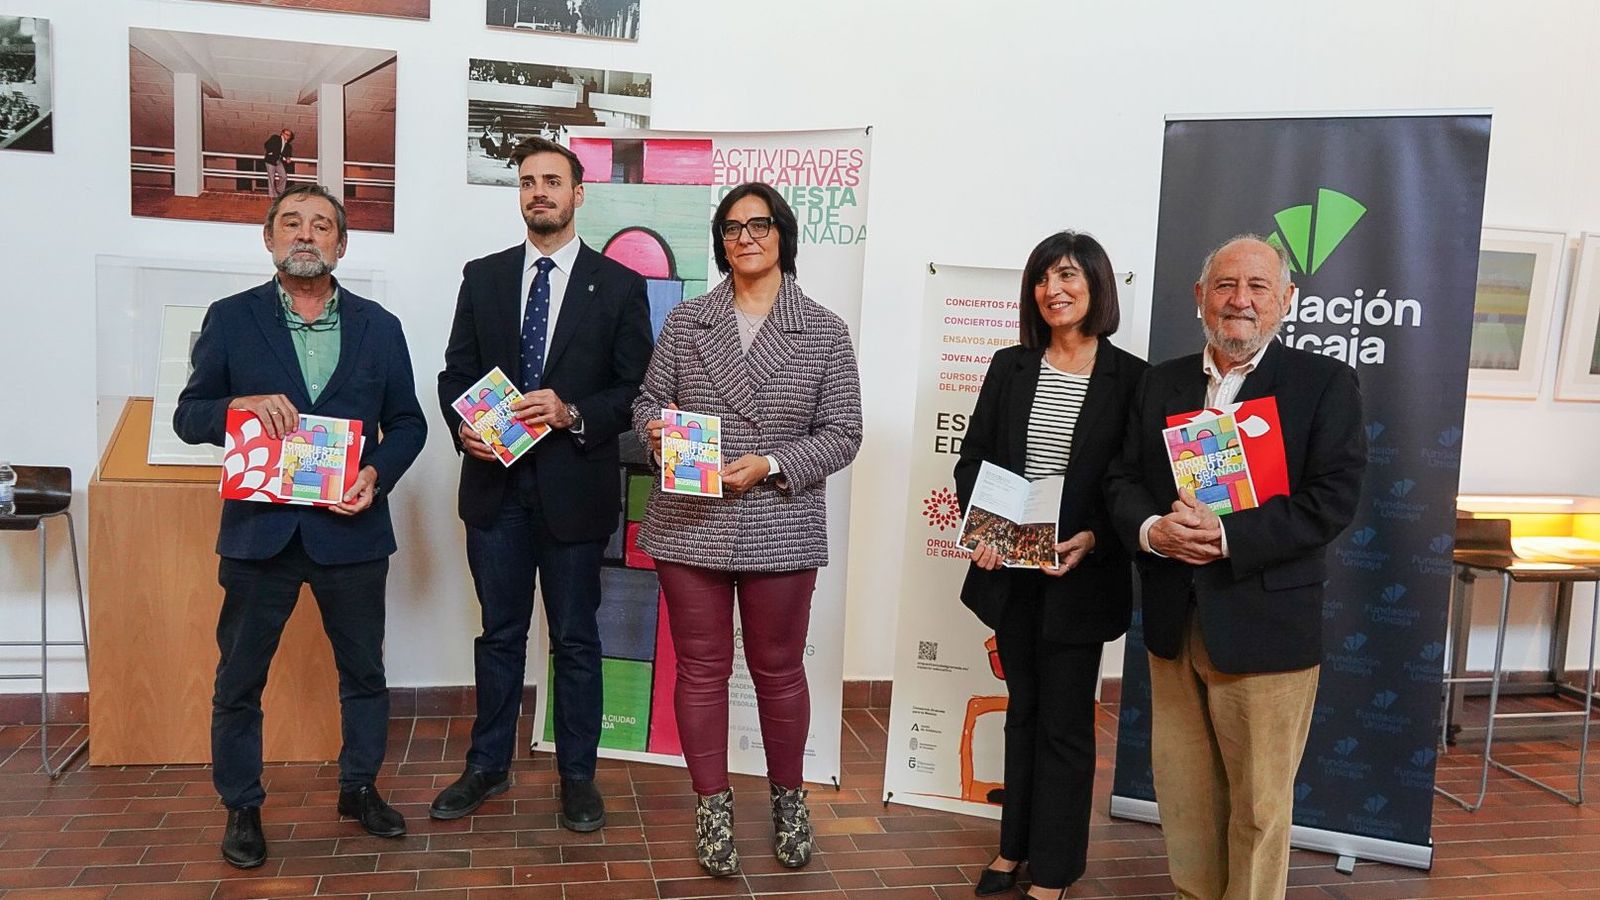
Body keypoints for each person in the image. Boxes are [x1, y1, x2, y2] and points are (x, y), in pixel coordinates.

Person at [1104, 235, 1367, 900]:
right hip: (1174, 621)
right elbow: (1123, 479)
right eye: (1224, 285)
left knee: (1257, 806)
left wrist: (1227, 536)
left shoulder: (1323, 385)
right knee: (1187, 799)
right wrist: (1152, 530)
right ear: (1200, 298)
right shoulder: (1159, 382)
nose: (1239, 299)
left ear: (1286, 301)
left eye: (1257, 286)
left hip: (1266, 626)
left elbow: (1330, 501)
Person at [173, 183, 428, 869]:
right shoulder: (231, 319)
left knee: (365, 672)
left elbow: (408, 423)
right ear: (270, 238)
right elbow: (188, 416)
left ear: (341, 244)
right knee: (239, 681)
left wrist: (376, 474)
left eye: (322, 225)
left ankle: (359, 789)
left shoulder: (380, 326)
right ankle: (243, 807)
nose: (306, 235)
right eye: (292, 223)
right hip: (261, 535)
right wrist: (239, 405)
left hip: (351, 532)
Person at [634, 182, 863, 877]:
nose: (746, 237)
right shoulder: (687, 322)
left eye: (759, 224)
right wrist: (653, 428)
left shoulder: (823, 329)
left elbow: (845, 432)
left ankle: (789, 800)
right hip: (690, 519)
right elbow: (649, 396)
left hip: (780, 518)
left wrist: (771, 462)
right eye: (732, 228)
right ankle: (713, 806)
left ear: (783, 234)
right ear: (721, 243)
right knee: (701, 671)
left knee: (778, 670)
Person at [434, 136, 653, 832]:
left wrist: (573, 412)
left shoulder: (619, 286)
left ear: (578, 193)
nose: (539, 192)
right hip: (494, 492)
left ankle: (578, 777)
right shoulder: (484, 276)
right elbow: (454, 375)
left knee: (575, 639)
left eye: (552, 181)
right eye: (528, 181)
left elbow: (636, 389)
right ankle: (486, 767)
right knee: (499, 635)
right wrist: (460, 425)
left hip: (573, 492)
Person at [954, 231, 1146, 899]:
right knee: (1024, 710)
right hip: (1010, 567)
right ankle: (1013, 848)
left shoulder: (1132, 377)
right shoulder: (1011, 365)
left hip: (1080, 575)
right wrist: (984, 528)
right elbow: (974, 458)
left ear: (1096, 287)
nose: (1052, 290)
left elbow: (1133, 481)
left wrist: (1095, 537)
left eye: (1067, 277)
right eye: (1041, 278)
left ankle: (1056, 869)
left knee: (1065, 722)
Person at [263, 128, 294, 199]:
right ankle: (272, 195)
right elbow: (267, 144)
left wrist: (288, 158)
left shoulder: (288, 146)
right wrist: (271, 152)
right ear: (282, 133)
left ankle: (279, 191)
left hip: (278, 161)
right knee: (271, 177)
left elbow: (287, 154)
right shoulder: (275, 138)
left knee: (284, 176)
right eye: (287, 134)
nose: (288, 137)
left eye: (289, 136)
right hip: (270, 160)